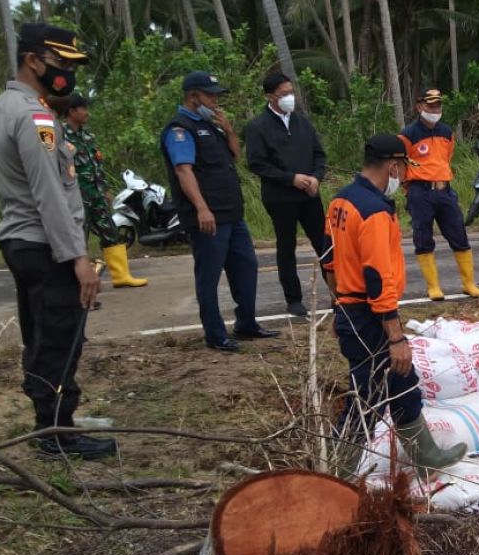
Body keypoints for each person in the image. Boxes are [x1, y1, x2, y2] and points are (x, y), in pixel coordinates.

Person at [0, 23, 115, 459]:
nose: (66, 74)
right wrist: (77, 256)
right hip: (46, 244)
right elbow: (49, 193)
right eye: (61, 64)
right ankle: (56, 433)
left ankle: (50, 423)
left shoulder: (1, 107)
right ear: (33, 61)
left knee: (39, 335)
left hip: (22, 241)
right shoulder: (34, 116)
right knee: (60, 338)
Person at [322, 134, 468, 478]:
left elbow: (328, 261)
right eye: (402, 169)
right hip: (370, 315)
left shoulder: (340, 201)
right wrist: (396, 337)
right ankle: (335, 473)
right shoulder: (374, 211)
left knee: (403, 381)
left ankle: (425, 453)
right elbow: (378, 279)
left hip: (350, 310)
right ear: (392, 165)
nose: (403, 177)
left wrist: (337, 306)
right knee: (367, 398)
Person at [160, 71, 279, 352]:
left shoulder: (210, 125)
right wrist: (202, 208)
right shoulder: (180, 129)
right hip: (208, 216)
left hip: (232, 213)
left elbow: (235, 156)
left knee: (246, 267)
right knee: (209, 276)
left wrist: (228, 129)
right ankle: (215, 335)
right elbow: (183, 170)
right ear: (193, 96)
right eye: (210, 95)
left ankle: (246, 323)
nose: (215, 101)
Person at [245, 72, 329, 319]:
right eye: (284, 94)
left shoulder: (302, 122)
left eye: (291, 93)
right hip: (280, 197)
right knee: (286, 247)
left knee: (324, 244)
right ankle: (293, 299)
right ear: (270, 96)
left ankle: (339, 293)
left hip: (310, 195)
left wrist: (316, 177)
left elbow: (319, 155)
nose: (289, 98)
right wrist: (290, 178)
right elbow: (257, 163)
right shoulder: (257, 126)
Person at [55, 93, 148, 290]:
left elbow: (97, 165)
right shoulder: (60, 135)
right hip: (76, 198)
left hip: (96, 195)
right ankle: (78, 284)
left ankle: (121, 276)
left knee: (111, 232)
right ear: (72, 111)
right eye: (83, 109)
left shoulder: (88, 136)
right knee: (79, 239)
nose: (87, 113)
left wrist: (104, 189)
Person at [398, 87, 479, 300]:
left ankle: (468, 283)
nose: (435, 109)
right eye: (430, 105)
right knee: (423, 237)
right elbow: (400, 162)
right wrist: (407, 187)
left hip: (444, 190)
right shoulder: (408, 134)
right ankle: (433, 287)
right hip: (420, 191)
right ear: (420, 107)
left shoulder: (446, 132)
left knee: (459, 235)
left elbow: (447, 158)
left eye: (438, 105)